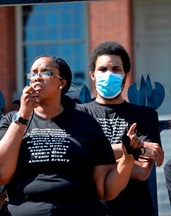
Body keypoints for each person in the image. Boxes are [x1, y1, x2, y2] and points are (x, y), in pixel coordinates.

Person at [0, 55, 142, 216]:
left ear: (62, 83)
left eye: (46, 73)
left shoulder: (86, 124)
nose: (37, 77)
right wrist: (23, 116)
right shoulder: (12, 121)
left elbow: (106, 191)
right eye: (33, 73)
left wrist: (127, 160)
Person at [76, 41, 164, 216]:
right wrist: (129, 150)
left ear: (125, 75)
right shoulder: (79, 113)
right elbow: (78, 159)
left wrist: (95, 159)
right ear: (92, 75)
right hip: (90, 209)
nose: (109, 75)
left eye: (116, 69)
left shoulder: (144, 115)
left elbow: (141, 172)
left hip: (135, 210)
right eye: (103, 69)